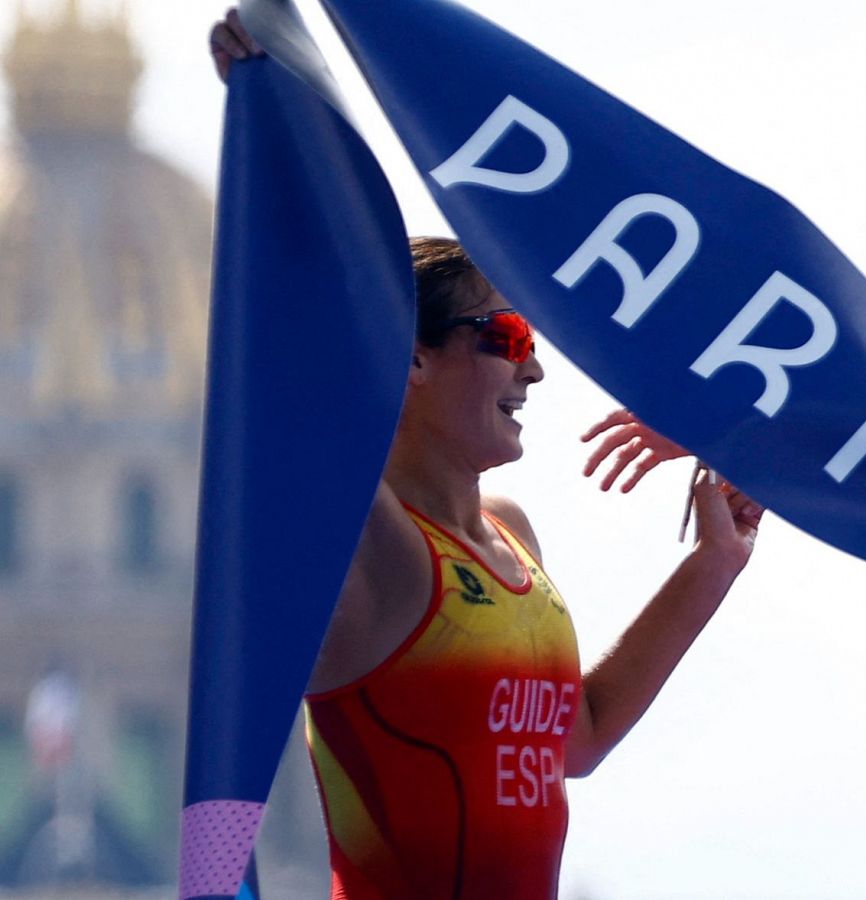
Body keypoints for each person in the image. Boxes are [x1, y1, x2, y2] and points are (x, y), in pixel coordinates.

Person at [212, 24, 764, 900]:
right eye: (505, 336)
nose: (533, 365)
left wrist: (712, 564)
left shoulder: (511, 535)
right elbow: (312, 373)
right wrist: (279, 128)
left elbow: (576, 738)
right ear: (412, 360)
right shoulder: (374, 550)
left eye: (532, 338)